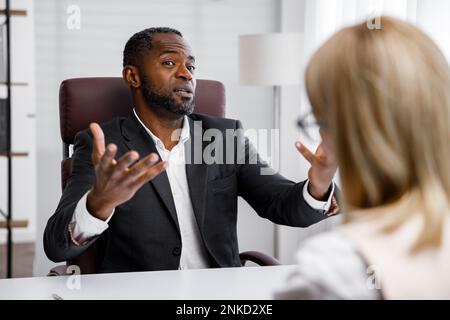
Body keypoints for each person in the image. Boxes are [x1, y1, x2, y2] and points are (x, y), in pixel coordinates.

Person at [44, 27, 339, 273]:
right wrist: (98, 204)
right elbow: (56, 246)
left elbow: (281, 203)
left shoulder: (224, 136)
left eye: (191, 66)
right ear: (133, 76)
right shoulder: (102, 145)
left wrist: (318, 186)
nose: (187, 74)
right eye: (170, 63)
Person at [275, 16, 450, 299]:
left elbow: (279, 205)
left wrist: (318, 188)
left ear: (348, 130)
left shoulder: (335, 268)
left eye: (320, 119)